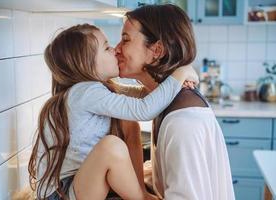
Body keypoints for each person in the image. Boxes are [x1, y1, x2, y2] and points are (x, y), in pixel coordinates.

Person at [28, 24, 198, 200]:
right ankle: (143, 198)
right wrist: (180, 73)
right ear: (86, 62)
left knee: (126, 129)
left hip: (76, 186)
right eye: (107, 48)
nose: (115, 51)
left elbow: (142, 95)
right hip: (61, 193)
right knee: (111, 146)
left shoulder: (90, 91)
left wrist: (173, 85)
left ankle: (141, 193)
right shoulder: (86, 92)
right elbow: (144, 109)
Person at [115, 4, 235, 200]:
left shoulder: (183, 122)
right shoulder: (164, 100)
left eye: (125, 40)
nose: (116, 49)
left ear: (157, 50)